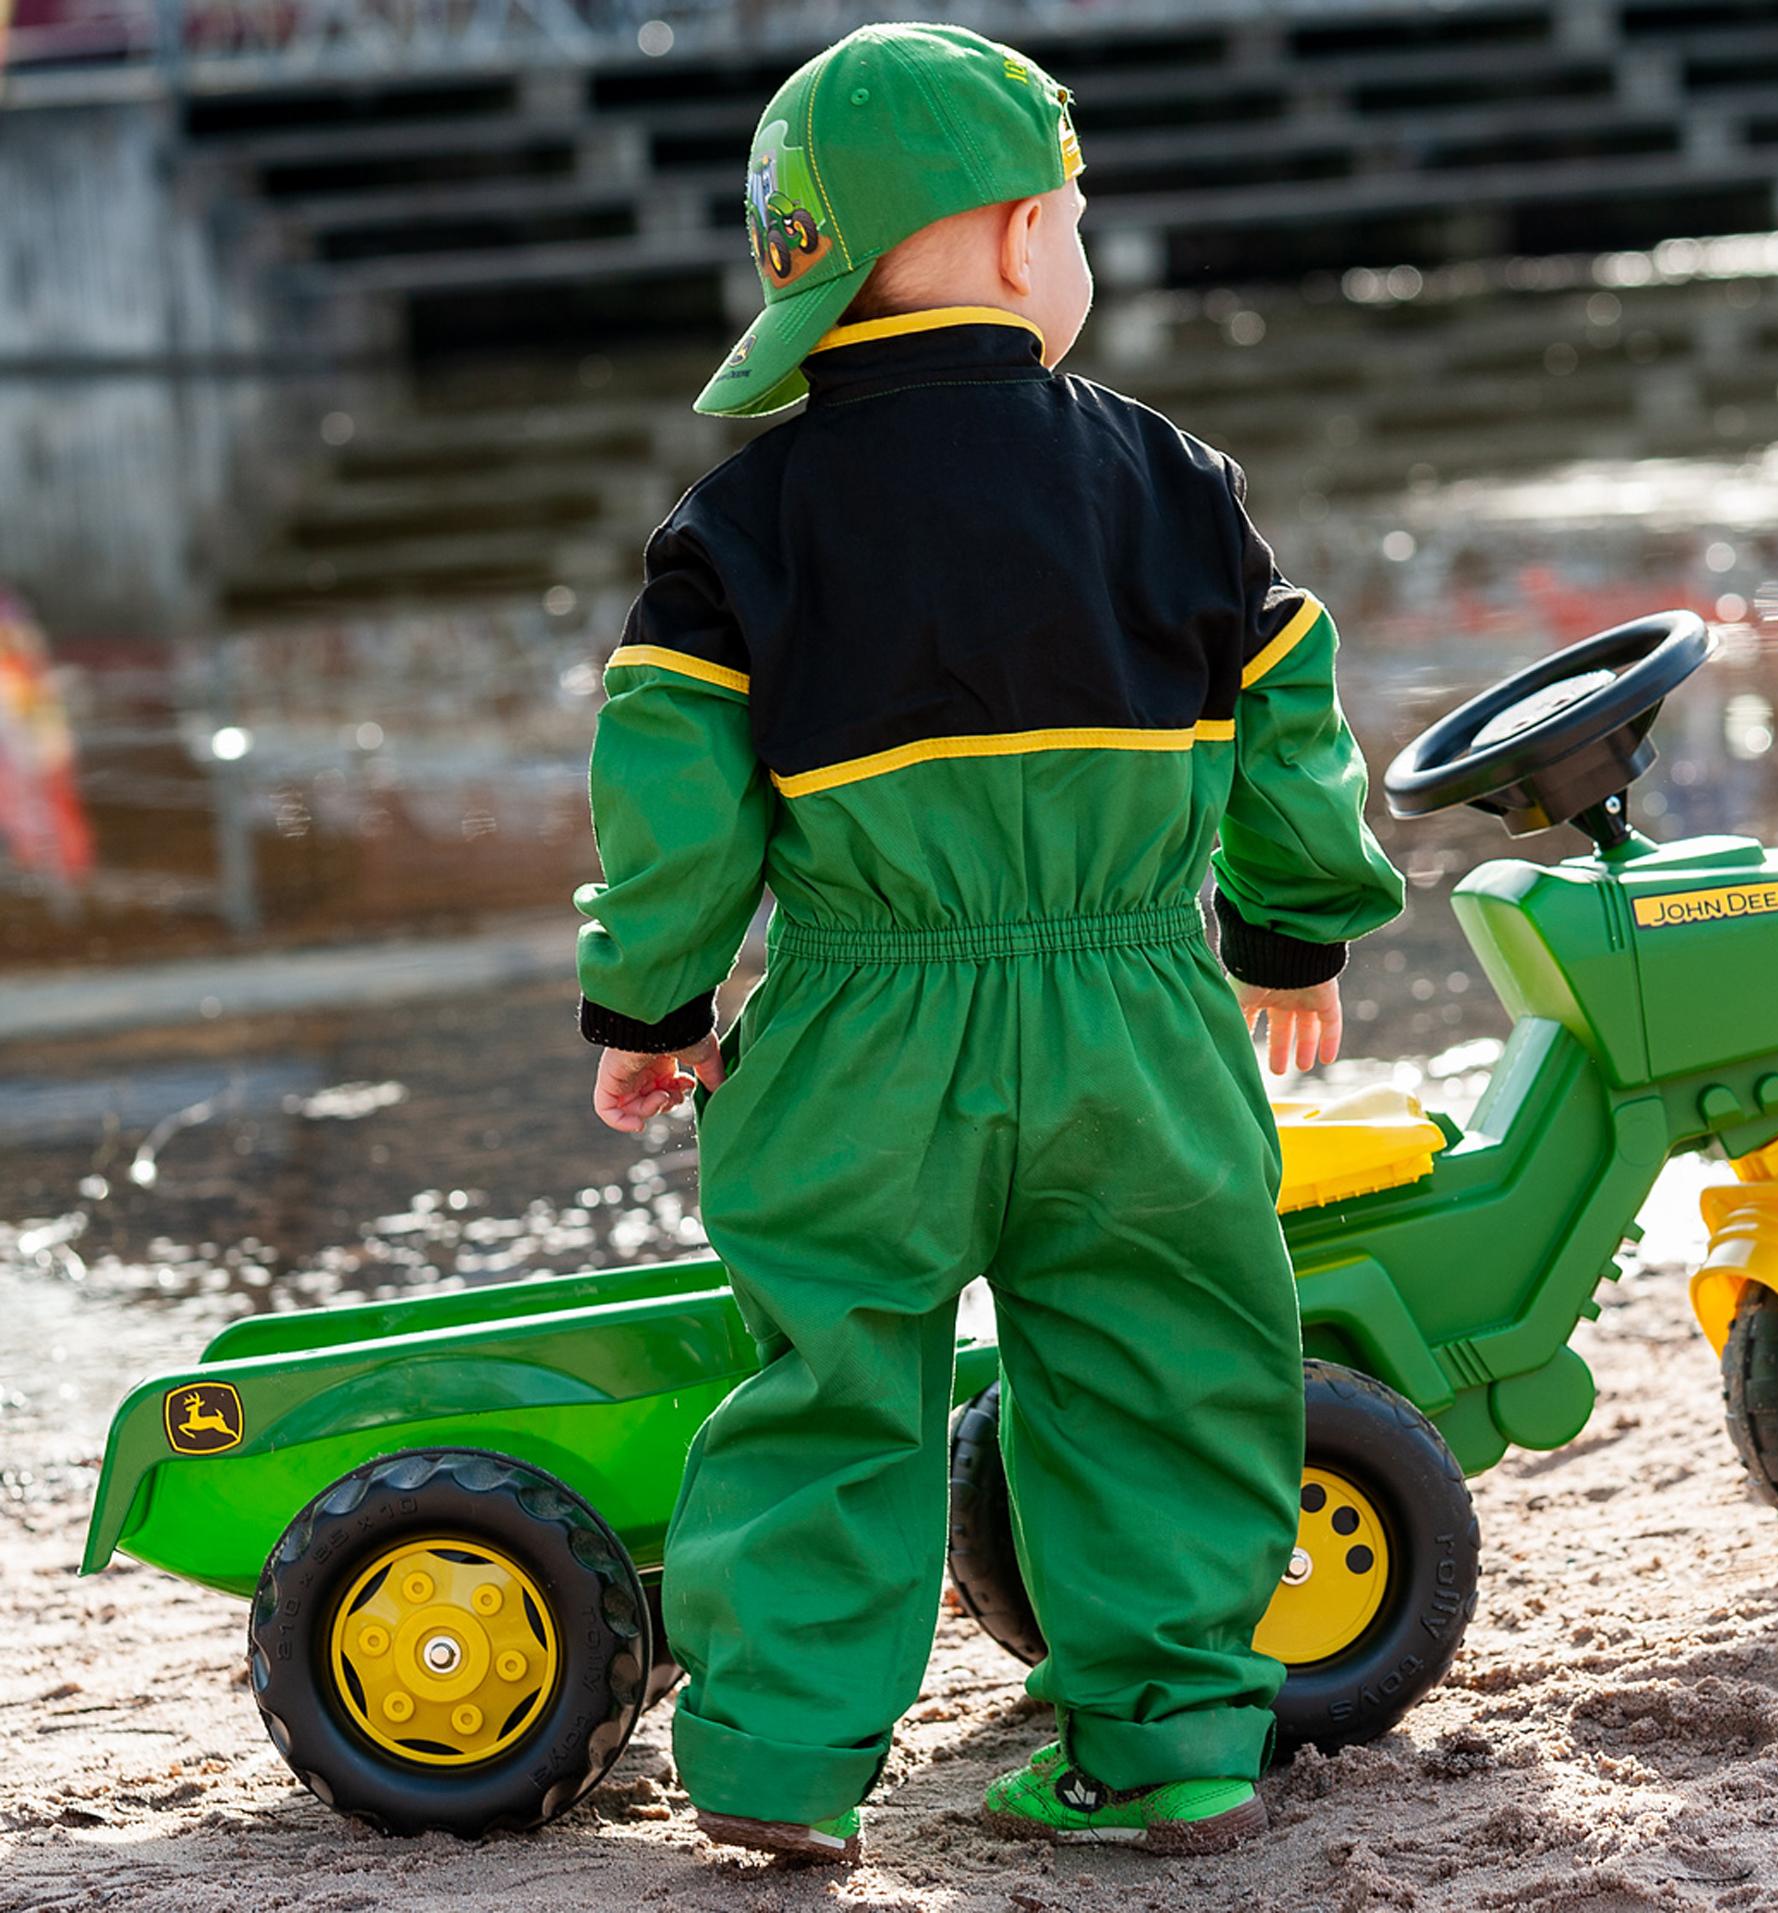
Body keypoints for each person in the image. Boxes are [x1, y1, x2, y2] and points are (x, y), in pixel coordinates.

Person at [575, 22, 1403, 1866]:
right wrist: (1288, 931)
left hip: (860, 1020)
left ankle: (782, 1758)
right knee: (1161, 1356)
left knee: (832, 1375)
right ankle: (1168, 1738)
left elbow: (673, 804)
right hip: (1133, 1005)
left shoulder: (740, 523)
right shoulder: (1170, 479)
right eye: (1078, 218)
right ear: (1026, 236)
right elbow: (1290, 722)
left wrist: (651, 997)